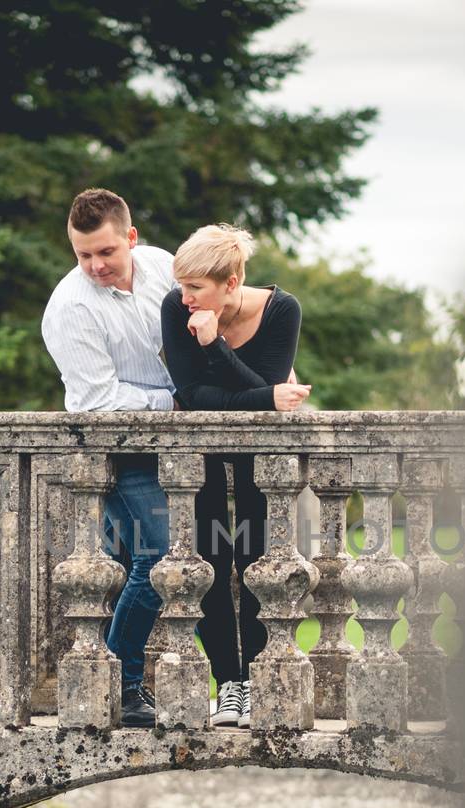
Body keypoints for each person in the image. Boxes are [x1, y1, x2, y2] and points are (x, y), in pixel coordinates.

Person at [159, 223, 310, 727]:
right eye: (182, 286)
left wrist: (216, 349)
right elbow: (195, 398)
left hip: (261, 461)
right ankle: (229, 685)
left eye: (195, 288)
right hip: (197, 454)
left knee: (255, 562)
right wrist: (265, 398)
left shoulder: (280, 310)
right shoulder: (175, 309)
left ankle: (259, 682)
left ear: (231, 281)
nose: (184, 298)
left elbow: (258, 402)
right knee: (208, 564)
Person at [41, 188, 175, 727]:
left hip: (182, 447)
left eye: (106, 252)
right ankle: (120, 685)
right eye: (83, 254)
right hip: (117, 452)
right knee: (159, 557)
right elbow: (99, 402)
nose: (95, 265)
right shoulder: (70, 308)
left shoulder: (164, 266)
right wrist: (183, 402)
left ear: (131, 239)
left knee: (146, 563)